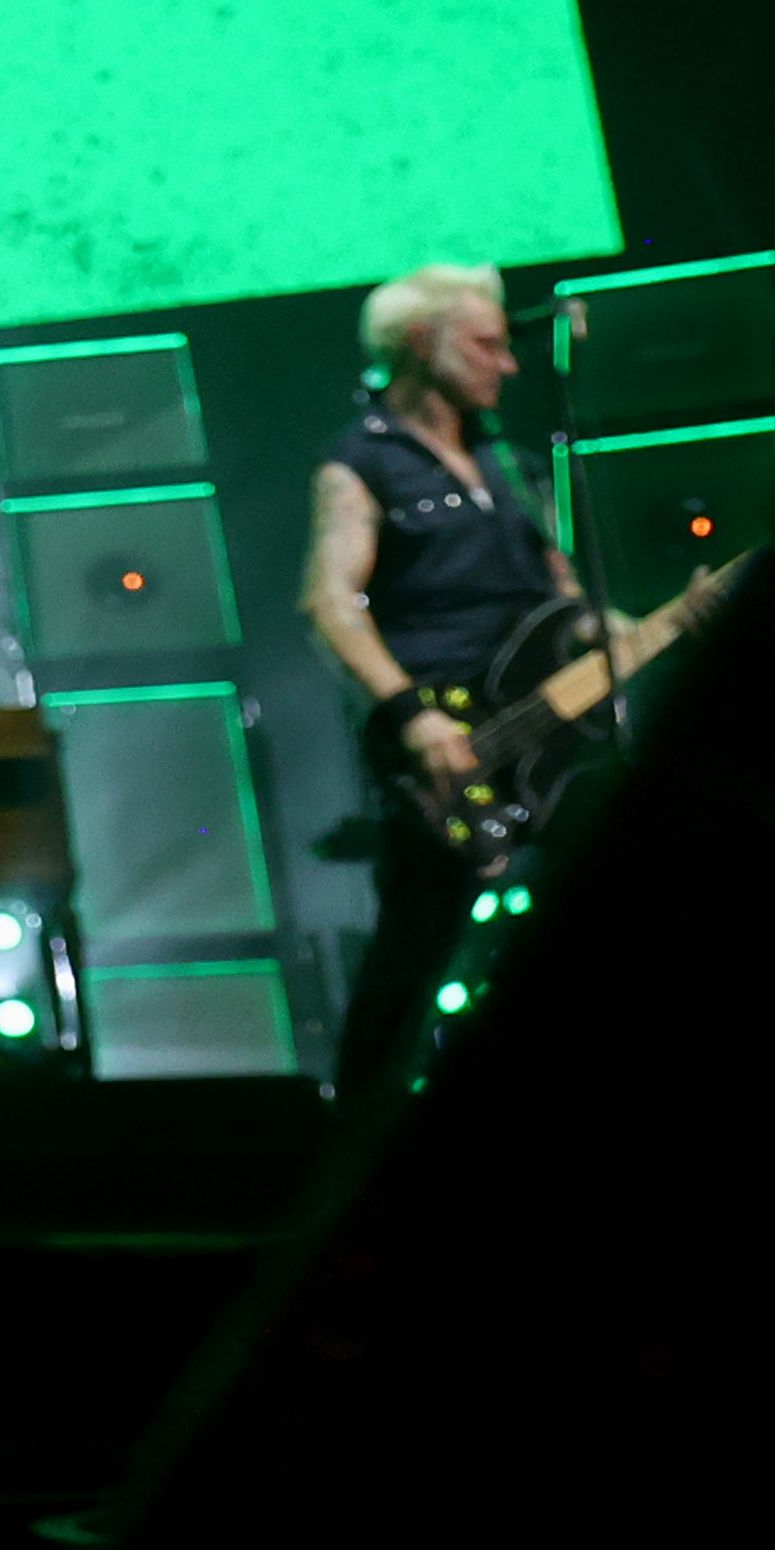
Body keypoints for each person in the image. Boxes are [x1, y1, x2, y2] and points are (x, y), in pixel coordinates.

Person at [300, 263, 627, 1096]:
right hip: (447, 729)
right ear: (422, 341)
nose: (507, 363)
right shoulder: (359, 463)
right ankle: (353, 1128)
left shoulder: (507, 465)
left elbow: (563, 597)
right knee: (418, 934)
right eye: (485, 344)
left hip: (547, 724)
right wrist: (412, 716)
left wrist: (621, 628)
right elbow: (329, 603)